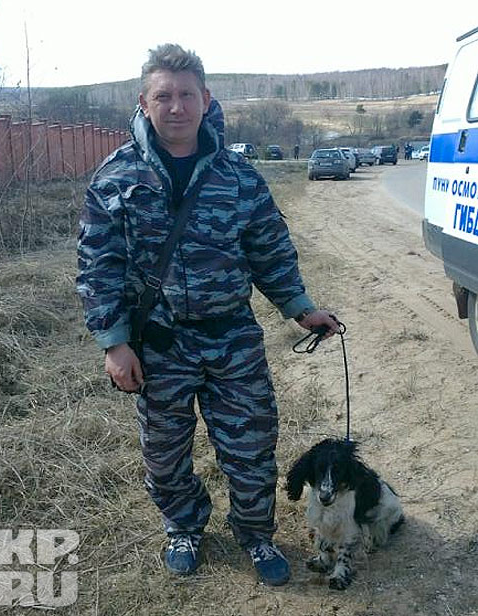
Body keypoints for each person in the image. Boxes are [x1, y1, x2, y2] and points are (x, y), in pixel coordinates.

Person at [76, 43, 339, 586]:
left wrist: (300, 308)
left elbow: (269, 249)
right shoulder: (115, 177)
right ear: (144, 103)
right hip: (158, 344)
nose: (176, 106)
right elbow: (99, 265)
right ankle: (184, 527)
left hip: (232, 339)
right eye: (163, 96)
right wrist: (114, 343)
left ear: (206, 99)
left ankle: (255, 534)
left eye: (186, 95)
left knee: (252, 447)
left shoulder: (238, 175)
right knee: (164, 453)